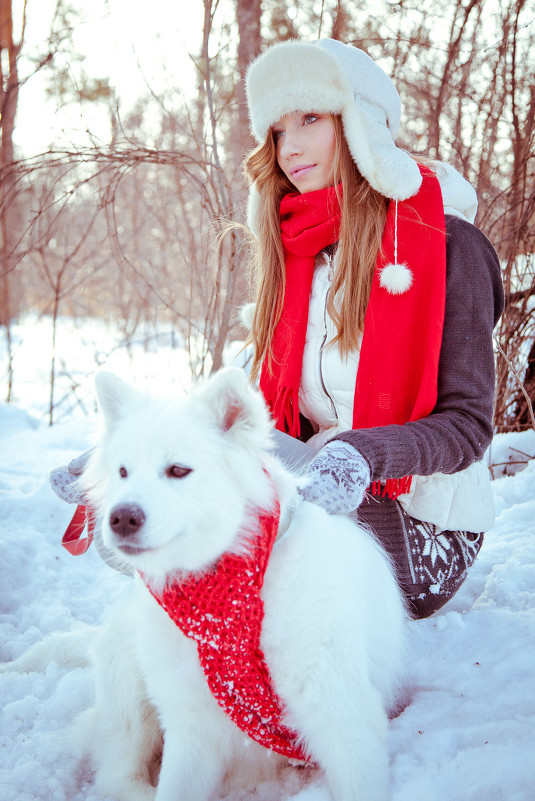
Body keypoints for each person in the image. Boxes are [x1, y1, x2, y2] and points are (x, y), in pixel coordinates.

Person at [240, 38, 504, 618]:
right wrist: (137, 462)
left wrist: (361, 455)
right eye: (279, 130)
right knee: (196, 528)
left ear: (360, 123)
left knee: (262, 567)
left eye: (310, 117)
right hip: (319, 488)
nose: (291, 147)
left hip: (420, 523)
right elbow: (249, 409)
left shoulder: (449, 247)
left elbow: (465, 428)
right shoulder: (294, 254)